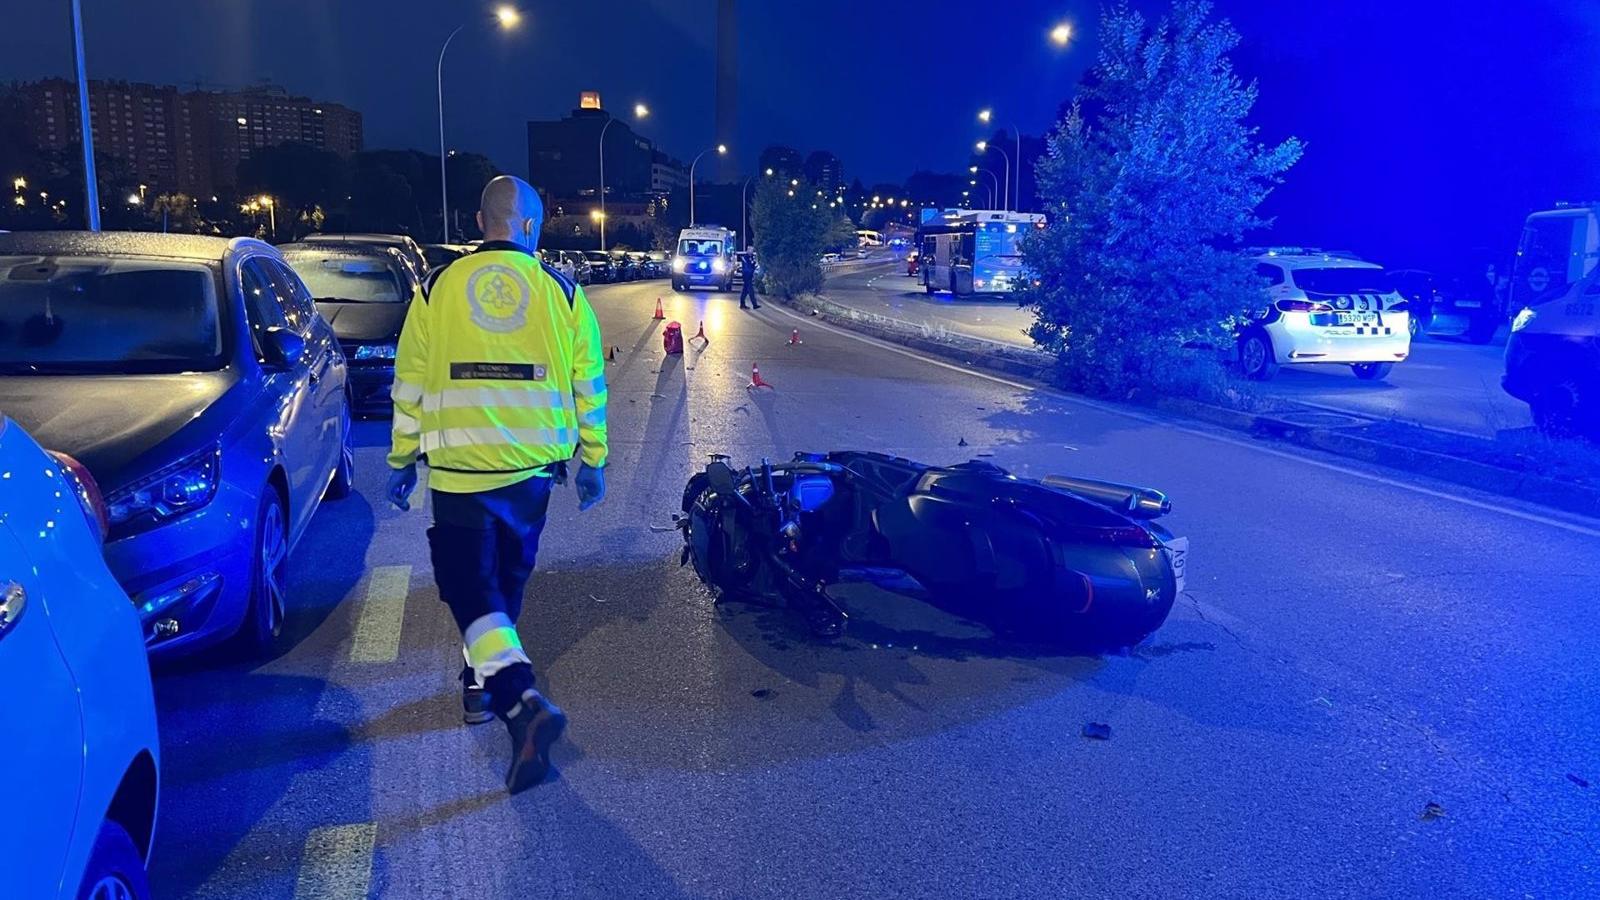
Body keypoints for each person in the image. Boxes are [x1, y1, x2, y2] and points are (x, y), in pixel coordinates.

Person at [386, 175, 609, 794]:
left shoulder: (436, 287)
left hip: (458, 471)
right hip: (532, 475)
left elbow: (410, 382)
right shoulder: (563, 292)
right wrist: (594, 460)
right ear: (532, 226)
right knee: (503, 583)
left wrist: (402, 459)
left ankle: (510, 695)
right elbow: (588, 383)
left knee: (471, 587)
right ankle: (486, 688)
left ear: (481, 223)